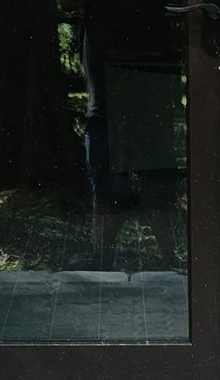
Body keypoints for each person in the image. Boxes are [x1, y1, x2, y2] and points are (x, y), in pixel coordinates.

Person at [77, 0, 186, 271]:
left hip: (149, 77)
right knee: (112, 183)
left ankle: (168, 261)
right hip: (119, 82)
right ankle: (106, 261)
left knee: (156, 181)